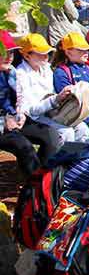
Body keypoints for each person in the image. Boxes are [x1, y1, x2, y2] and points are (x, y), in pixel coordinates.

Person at [16, 33, 89, 164]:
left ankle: (77, 163)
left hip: (51, 113)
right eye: (40, 53)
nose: (45, 56)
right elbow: (29, 110)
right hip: (34, 118)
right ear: (27, 55)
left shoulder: (46, 69)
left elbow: (52, 96)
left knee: (82, 128)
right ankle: (57, 167)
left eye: (47, 52)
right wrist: (56, 99)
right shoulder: (21, 75)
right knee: (66, 132)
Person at [0, 31, 39, 181]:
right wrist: (5, 121)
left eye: (12, 52)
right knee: (24, 146)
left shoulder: (11, 72)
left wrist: (21, 114)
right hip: (3, 124)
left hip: (12, 120)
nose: (10, 57)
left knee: (51, 137)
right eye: (5, 52)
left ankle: (44, 183)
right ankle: (34, 190)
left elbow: (19, 98)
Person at [52, 31, 89, 123]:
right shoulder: (61, 72)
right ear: (68, 52)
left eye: (87, 49)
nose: (86, 53)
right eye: (81, 50)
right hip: (78, 117)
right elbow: (69, 101)